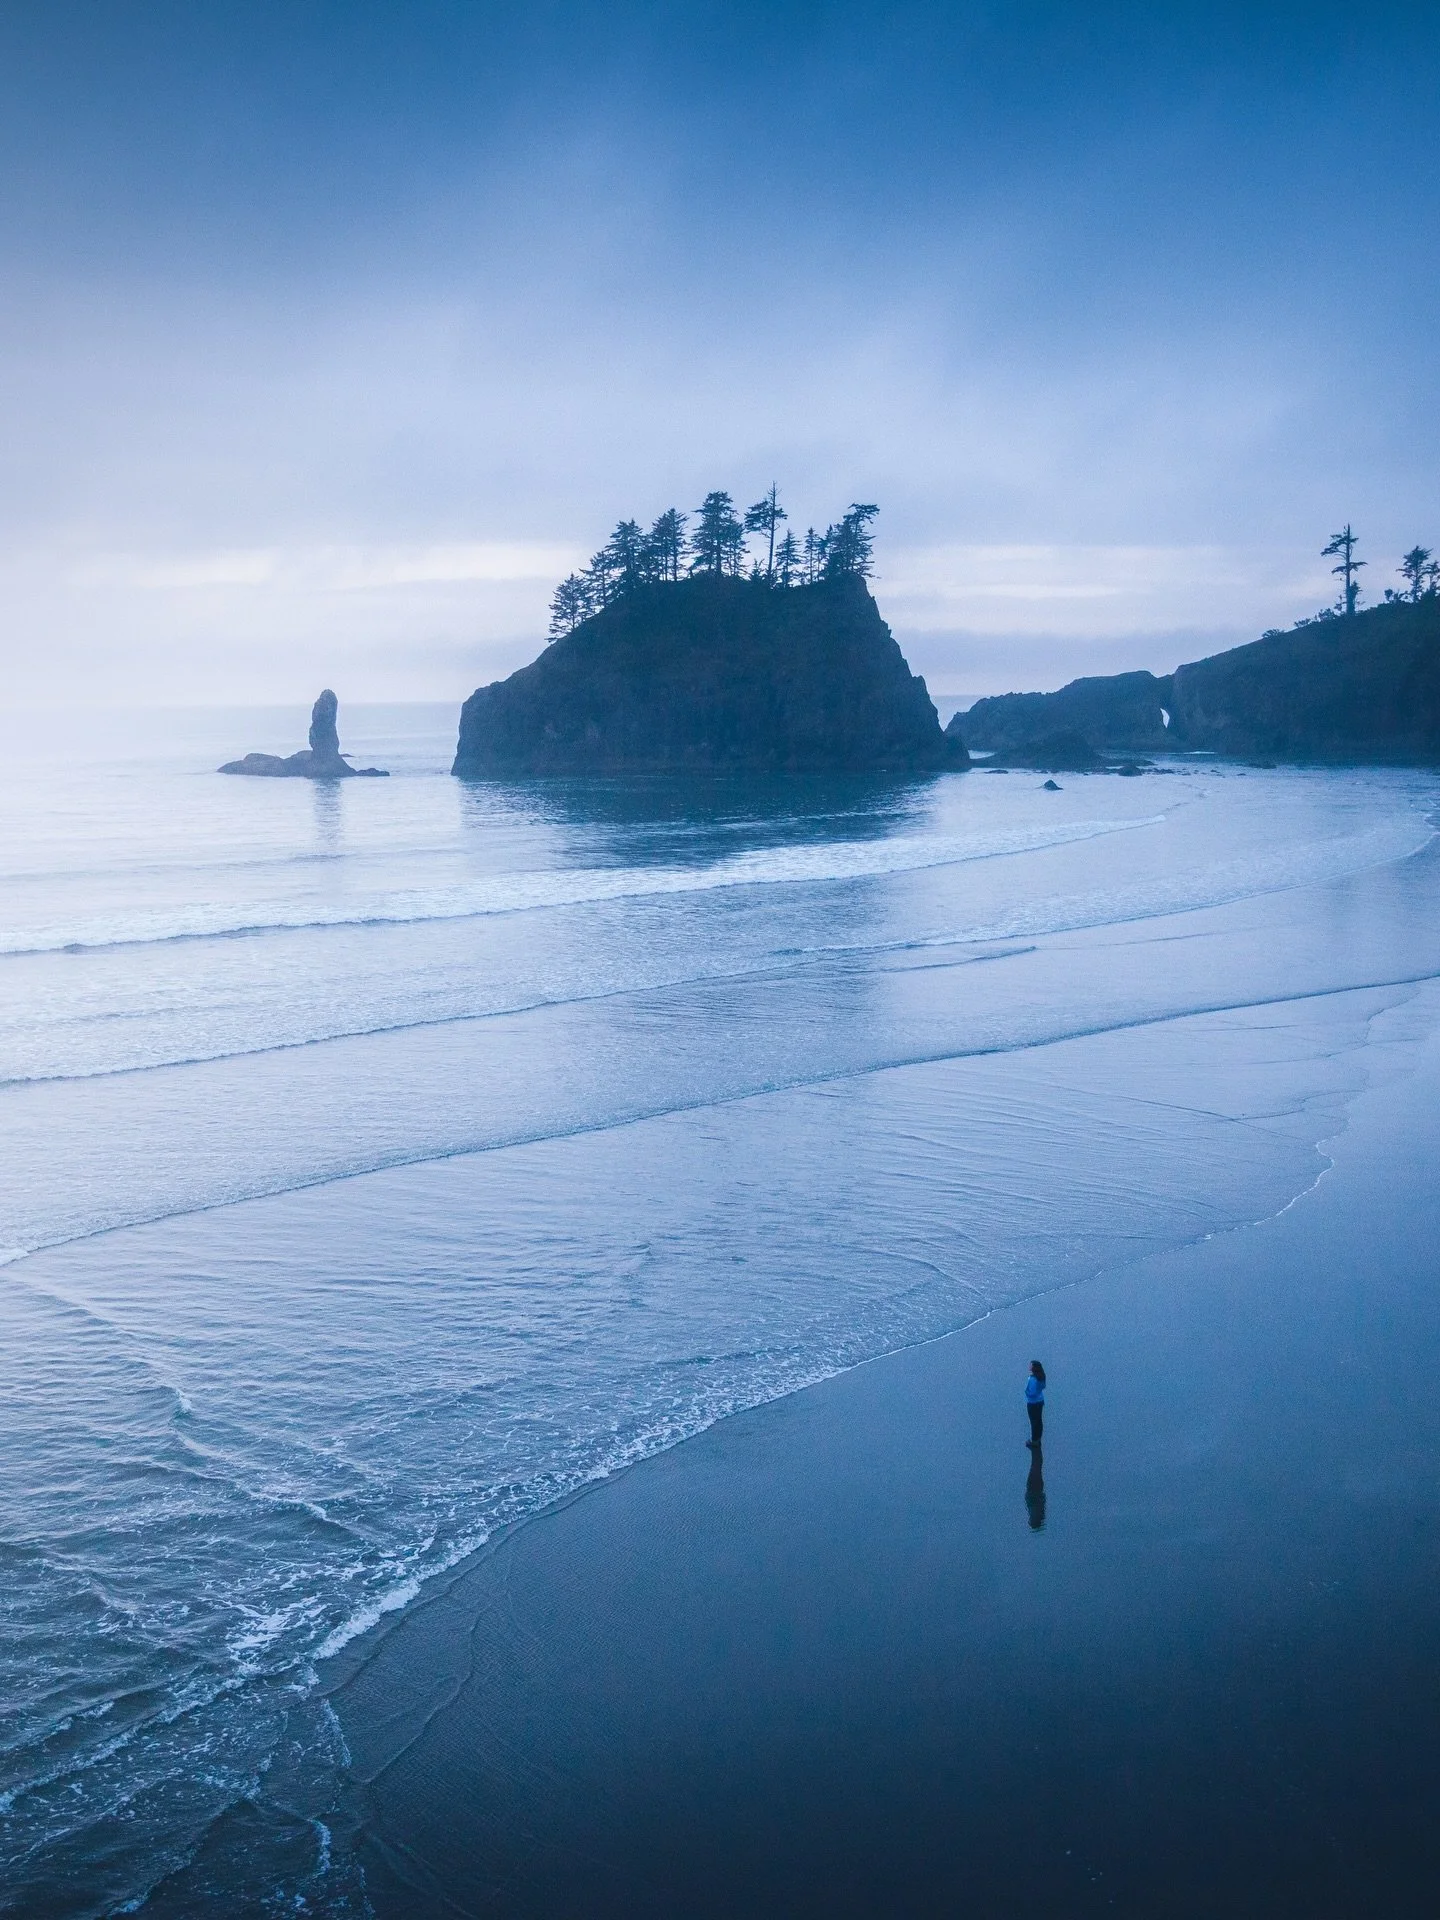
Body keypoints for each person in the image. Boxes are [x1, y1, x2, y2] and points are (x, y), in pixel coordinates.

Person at [1025, 1360, 1046, 1448]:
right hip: (1040, 1401)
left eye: (1031, 1365)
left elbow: (1032, 1392)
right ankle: (1038, 1439)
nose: (1029, 1367)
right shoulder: (1041, 1377)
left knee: (1033, 1422)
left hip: (1032, 1403)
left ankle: (1034, 1441)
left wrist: (1027, 1392)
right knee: (1039, 1421)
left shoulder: (1032, 1379)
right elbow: (1043, 1387)